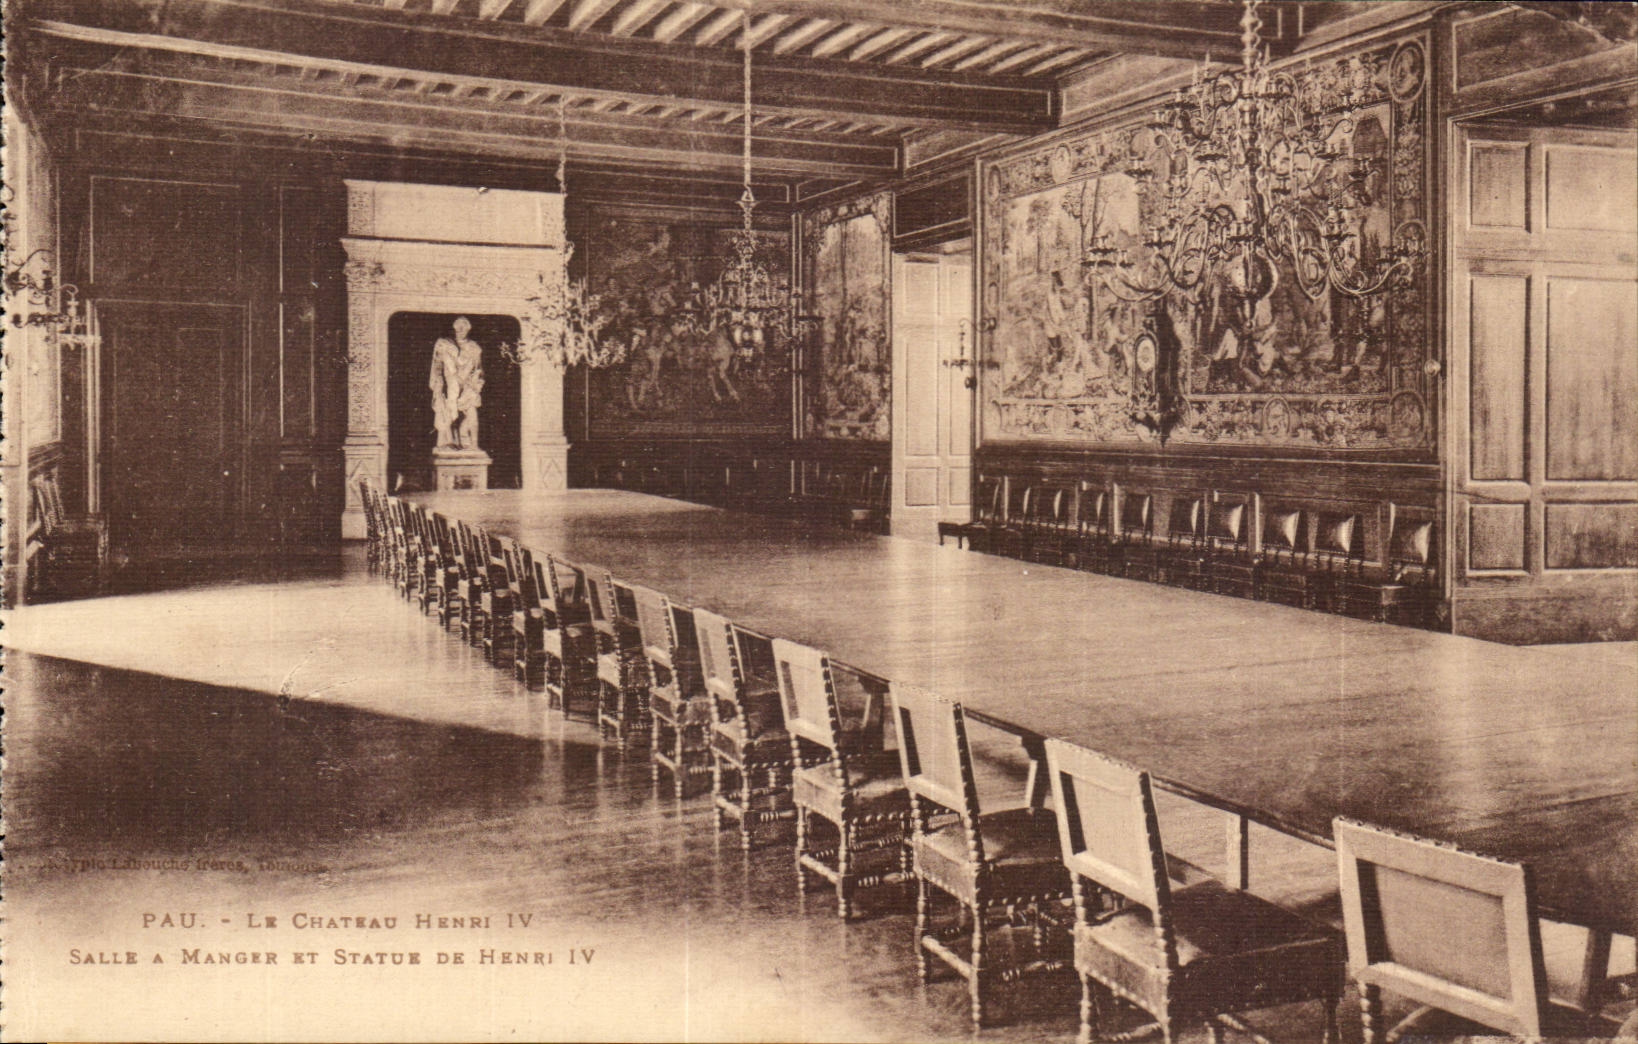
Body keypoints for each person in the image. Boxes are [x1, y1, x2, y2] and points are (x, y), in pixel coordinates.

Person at [429, 316, 484, 450]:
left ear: (468, 329)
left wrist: (476, 382)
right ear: (453, 329)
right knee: (448, 413)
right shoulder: (444, 345)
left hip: (468, 385)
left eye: (463, 328)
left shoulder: (474, 348)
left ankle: (473, 444)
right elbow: (437, 366)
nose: (460, 330)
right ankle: (448, 442)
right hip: (450, 384)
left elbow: (479, 369)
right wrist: (438, 381)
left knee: (472, 413)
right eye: (458, 328)